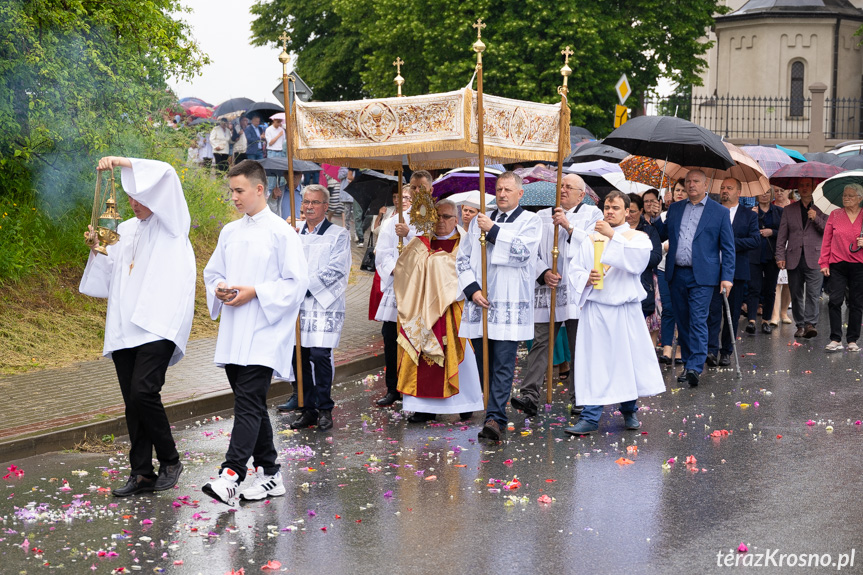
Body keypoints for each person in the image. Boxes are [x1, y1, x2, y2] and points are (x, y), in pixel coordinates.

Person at [80, 156, 196, 497]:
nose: (134, 204)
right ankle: (142, 472)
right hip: (125, 325)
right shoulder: (125, 228)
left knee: (144, 391)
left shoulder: (173, 224)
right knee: (133, 401)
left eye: (143, 198)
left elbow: (168, 174)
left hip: (158, 323)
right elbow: (109, 278)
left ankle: (171, 460)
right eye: (131, 198)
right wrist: (97, 249)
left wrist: (121, 162)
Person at [202, 160, 309, 504]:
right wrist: (219, 287)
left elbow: (296, 282)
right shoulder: (229, 232)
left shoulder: (282, 232)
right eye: (231, 190)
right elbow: (212, 271)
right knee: (252, 403)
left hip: (265, 329)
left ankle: (231, 474)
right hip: (235, 330)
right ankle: (272, 474)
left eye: (239, 190)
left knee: (248, 401)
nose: (233, 197)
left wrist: (256, 292)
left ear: (259, 189)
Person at [563, 191, 665, 435]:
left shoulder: (637, 237)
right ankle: (590, 417)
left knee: (625, 362)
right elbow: (574, 268)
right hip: (596, 309)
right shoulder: (590, 239)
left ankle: (630, 410)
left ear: (627, 211)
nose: (610, 211)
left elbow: (637, 262)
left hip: (624, 310)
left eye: (616, 208)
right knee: (596, 363)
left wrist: (612, 236)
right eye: (607, 207)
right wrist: (586, 278)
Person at [457, 171, 542, 441]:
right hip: (481, 301)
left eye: (507, 190)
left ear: (520, 193)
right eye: (499, 189)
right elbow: (462, 258)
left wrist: (492, 230)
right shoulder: (479, 221)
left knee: (504, 363)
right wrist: (471, 289)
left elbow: (522, 254)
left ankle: (495, 418)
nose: (502, 194)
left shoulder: (531, 220)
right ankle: (494, 410)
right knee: (486, 363)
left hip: (509, 303)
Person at [511, 173, 601, 417]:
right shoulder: (540, 216)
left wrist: (568, 226)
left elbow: (594, 245)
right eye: (561, 185)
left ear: (581, 195)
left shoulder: (592, 214)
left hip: (575, 290)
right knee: (540, 342)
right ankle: (530, 395)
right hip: (548, 288)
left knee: (577, 345)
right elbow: (531, 250)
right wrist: (543, 273)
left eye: (569, 187)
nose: (563, 190)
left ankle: (580, 397)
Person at [395, 199, 484, 422]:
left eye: (446, 217)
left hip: (453, 309)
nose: (440, 221)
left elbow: (469, 272)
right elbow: (405, 273)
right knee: (421, 359)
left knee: (461, 358)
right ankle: (423, 407)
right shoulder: (420, 243)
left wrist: (437, 264)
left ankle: (464, 403)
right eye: (436, 216)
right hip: (420, 311)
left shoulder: (466, 243)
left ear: (456, 219)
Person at [280, 184, 352, 429]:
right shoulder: (292, 232)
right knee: (298, 356)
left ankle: (324, 408)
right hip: (297, 305)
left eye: (315, 203)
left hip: (322, 304)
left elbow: (337, 269)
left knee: (320, 355)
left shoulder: (338, 234)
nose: (309, 206)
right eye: (306, 202)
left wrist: (304, 288)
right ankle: (307, 408)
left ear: (325, 206)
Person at [656, 169, 735, 387]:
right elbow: (661, 234)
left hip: (704, 275)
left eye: (696, 181)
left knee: (698, 318)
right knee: (683, 320)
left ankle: (694, 366)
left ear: (706, 184)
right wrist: (655, 214)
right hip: (676, 272)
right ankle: (691, 361)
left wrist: (727, 276)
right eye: (688, 181)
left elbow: (728, 248)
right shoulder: (675, 208)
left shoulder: (718, 212)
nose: (691, 185)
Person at [374, 176, 422, 407]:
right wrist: (395, 269)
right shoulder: (389, 220)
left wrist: (409, 233)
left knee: (412, 338)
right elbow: (382, 251)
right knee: (390, 337)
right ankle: (392, 388)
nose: (403, 200)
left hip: (416, 285)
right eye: (400, 197)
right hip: (395, 283)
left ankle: (412, 386)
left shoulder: (422, 218)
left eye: (407, 197)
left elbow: (425, 246)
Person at [706, 178, 759, 367]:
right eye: (722, 188)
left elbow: (755, 240)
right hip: (713, 269)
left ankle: (726, 351)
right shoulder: (711, 211)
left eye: (729, 188)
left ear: (739, 192)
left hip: (737, 270)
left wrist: (729, 242)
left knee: (733, 313)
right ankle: (711, 350)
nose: (725, 191)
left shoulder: (749, 215)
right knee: (712, 313)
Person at [775, 177, 828, 338]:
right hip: (793, 257)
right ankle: (800, 325)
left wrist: (816, 218)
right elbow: (782, 235)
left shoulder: (823, 209)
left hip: (815, 257)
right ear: (798, 188)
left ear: (813, 187)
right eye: (802, 185)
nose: (804, 188)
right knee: (796, 293)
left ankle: (810, 324)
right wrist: (779, 255)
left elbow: (828, 232)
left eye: (808, 185)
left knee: (813, 293)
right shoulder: (789, 210)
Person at [819, 184, 863, 352]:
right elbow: (826, 240)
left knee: (856, 303)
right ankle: (835, 339)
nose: (846, 198)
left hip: (859, 265)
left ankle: (852, 340)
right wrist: (824, 263)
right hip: (837, 264)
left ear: (860, 198)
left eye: (851, 196)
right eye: (845, 195)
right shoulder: (835, 215)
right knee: (835, 300)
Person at [656, 181, 688, 363]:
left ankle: (682, 347)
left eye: (684, 190)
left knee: (683, 309)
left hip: (683, 267)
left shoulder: (691, 214)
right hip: (663, 266)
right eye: (677, 190)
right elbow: (657, 238)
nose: (680, 193)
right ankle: (667, 347)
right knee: (668, 308)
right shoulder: (664, 215)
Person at [746, 186, 783, 335]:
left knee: (770, 289)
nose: (764, 195)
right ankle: (751, 320)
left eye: (767, 192)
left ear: (771, 194)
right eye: (761, 192)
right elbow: (744, 231)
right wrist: (751, 218)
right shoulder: (751, 212)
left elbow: (784, 232)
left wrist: (772, 232)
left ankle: (766, 320)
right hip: (754, 254)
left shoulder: (779, 212)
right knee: (754, 288)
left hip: (771, 254)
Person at [626, 192, 662, 321]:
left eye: (633, 211)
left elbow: (656, 257)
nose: (629, 215)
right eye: (626, 211)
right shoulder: (615, 230)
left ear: (641, 211)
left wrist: (632, 256)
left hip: (643, 284)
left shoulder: (649, 230)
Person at [769, 186, 793, 325]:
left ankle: (784, 312)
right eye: (776, 191)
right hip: (775, 245)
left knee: (789, 282)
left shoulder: (794, 206)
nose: (778, 193)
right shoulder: (771, 206)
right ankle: (775, 315)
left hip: (791, 246)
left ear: (789, 191)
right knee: (776, 282)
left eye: (781, 191)